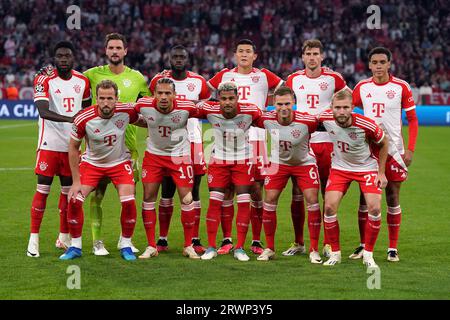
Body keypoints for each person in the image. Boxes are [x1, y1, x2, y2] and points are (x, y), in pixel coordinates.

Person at [208, 39, 283, 255]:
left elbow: (284, 89)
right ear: (235, 55)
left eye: (248, 51)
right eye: (240, 51)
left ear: (254, 56)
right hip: (228, 138)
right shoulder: (224, 76)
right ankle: (227, 239)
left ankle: (257, 240)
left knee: (256, 191)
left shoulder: (263, 76)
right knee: (227, 191)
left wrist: (269, 104)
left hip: (257, 138)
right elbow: (204, 90)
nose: (244, 55)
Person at [83, 33, 151, 256]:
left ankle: (125, 241)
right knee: (98, 195)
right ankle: (96, 242)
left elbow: (149, 107)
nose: (114, 51)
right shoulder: (92, 75)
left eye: (118, 48)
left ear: (125, 51)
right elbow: (71, 82)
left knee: (129, 197)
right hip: (98, 149)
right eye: (111, 47)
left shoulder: (138, 78)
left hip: (128, 148)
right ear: (105, 50)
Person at [351, 47, 418, 262]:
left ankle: (392, 248)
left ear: (389, 64)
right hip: (369, 151)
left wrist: (410, 149)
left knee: (392, 197)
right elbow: (347, 110)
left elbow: (413, 120)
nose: (378, 66)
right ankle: (363, 245)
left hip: (395, 151)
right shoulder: (362, 87)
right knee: (364, 198)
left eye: (382, 62)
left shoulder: (401, 87)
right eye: (374, 62)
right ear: (369, 65)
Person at [60, 80, 139, 261]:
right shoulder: (83, 117)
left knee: (128, 201)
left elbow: (146, 118)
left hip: (119, 163)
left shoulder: (126, 111)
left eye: (109, 98)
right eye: (101, 98)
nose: (105, 102)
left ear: (116, 98)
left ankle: (126, 245)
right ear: (96, 98)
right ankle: (75, 246)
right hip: (92, 164)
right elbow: (73, 147)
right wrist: (76, 181)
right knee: (74, 199)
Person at [26, 41, 91, 258]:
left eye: (67, 55)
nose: (63, 59)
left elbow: (88, 110)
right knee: (42, 191)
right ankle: (33, 239)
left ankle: (63, 237)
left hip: (71, 147)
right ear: (54, 58)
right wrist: (71, 119)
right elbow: (43, 111)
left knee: (68, 194)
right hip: (49, 144)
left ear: (73, 58)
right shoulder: (43, 79)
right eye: (60, 55)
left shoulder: (83, 81)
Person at [285, 39, 348, 258]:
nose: (312, 57)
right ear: (302, 57)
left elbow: (348, 101)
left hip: (329, 142)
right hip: (301, 142)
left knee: (327, 193)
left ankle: (329, 243)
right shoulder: (293, 79)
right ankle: (299, 242)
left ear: (322, 56)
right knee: (298, 193)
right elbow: (283, 103)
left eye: (315, 54)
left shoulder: (333, 79)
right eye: (308, 54)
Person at [149, 45, 211, 254]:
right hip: (167, 143)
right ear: (169, 58)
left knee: (194, 192)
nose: (178, 59)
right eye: (174, 56)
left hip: (193, 141)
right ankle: (163, 239)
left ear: (187, 59)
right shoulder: (159, 81)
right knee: (166, 190)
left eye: (181, 57)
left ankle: (194, 239)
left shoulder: (198, 82)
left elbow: (204, 108)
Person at [319, 90, 389, 269]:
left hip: (366, 168)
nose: (341, 112)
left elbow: (384, 143)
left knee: (374, 207)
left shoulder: (366, 124)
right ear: (331, 108)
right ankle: (335, 253)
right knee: (328, 207)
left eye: (345, 107)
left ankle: (368, 254)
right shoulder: (324, 118)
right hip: (340, 168)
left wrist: (381, 173)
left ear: (352, 108)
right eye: (337, 108)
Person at [253, 86, 323, 263]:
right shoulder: (266, 119)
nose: (283, 108)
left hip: (304, 163)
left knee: (312, 199)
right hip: (279, 163)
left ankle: (314, 249)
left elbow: (327, 124)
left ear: (294, 103)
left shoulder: (308, 121)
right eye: (279, 104)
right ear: (273, 105)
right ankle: (269, 248)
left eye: (287, 103)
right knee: (269, 198)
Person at [134, 77, 200, 260]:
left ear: (174, 95)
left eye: (167, 93)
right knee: (148, 197)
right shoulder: (143, 105)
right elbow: (127, 112)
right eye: (160, 93)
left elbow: (210, 111)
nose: (163, 97)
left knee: (187, 199)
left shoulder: (187, 107)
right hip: (154, 156)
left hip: (180, 156)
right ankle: (150, 245)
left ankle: (188, 245)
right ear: (154, 94)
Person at [198, 82, 262, 262]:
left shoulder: (250, 111)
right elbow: (187, 111)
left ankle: (239, 247)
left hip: (243, 160)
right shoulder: (210, 110)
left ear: (237, 98)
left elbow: (269, 122)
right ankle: (211, 247)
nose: (227, 102)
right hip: (219, 161)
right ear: (218, 98)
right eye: (223, 98)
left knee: (243, 202)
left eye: (231, 98)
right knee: (215, 202)